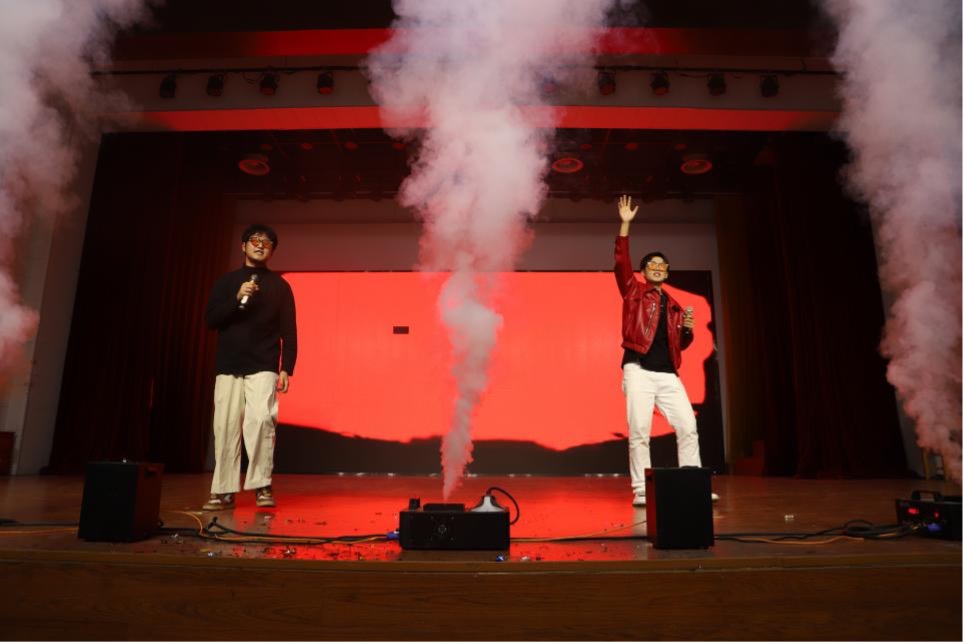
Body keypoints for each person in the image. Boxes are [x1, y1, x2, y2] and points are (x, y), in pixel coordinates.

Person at [614, 195, 717, 507]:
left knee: (687, 426)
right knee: (639, 432)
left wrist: (687, 330)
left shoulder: (674, 306)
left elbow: (679, 345)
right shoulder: (633, 291)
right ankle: (641, 490)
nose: (658, 269)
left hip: (668, 374)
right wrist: (625, 225)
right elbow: (621, 263)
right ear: (644, 271)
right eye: (652, 265)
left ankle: (692, 483)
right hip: (639, 369)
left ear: (667, 272)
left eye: (662, 266)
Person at [202, 224, 297, 510]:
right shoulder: (227, 282)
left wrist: (287, 367)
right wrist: (236, 298)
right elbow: (212, 320)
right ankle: (224, 489)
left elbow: (289, 330)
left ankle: (261, 485)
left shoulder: (280, 286)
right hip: (229, 363)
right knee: (226, 426)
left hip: (264, 363)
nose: (260, 245)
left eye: (267, 242)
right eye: (254, 240)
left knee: (261, 421)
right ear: (243, 246)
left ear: (271, 251)